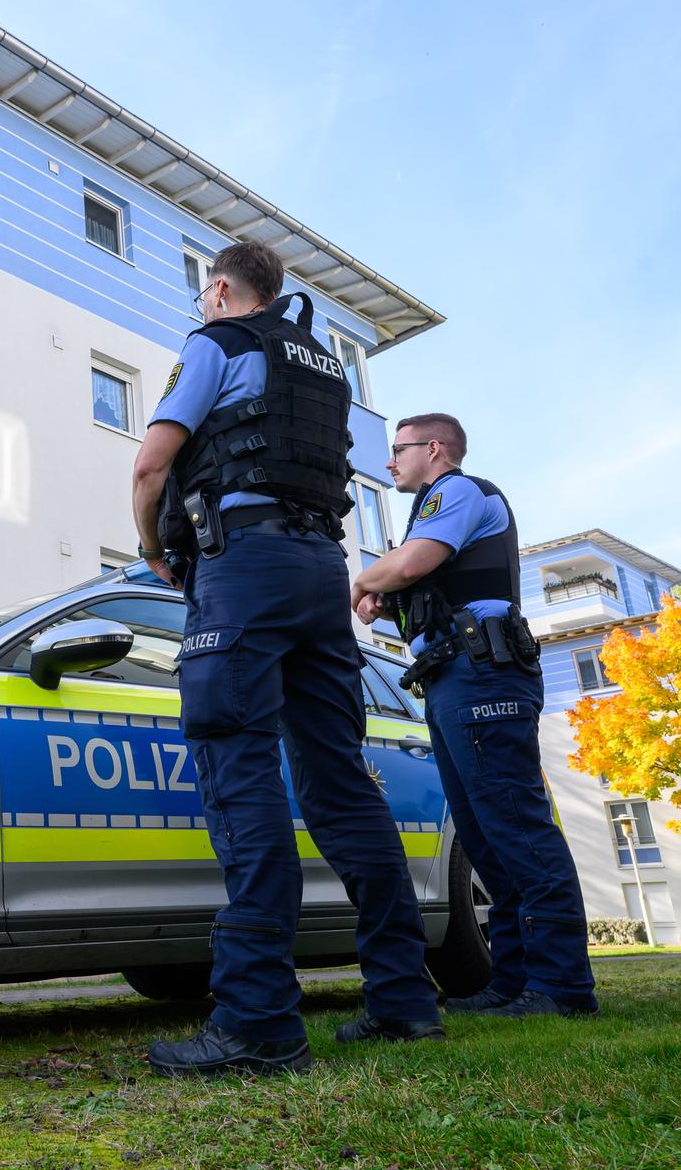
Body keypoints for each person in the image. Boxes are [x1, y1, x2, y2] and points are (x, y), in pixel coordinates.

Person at [131, 240, 441, 1078]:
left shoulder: (218, 342)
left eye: (204, 294)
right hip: (318, 573)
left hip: (246, 571)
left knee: (239, 769)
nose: (200, 306)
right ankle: (405, 1001)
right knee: (339, 779)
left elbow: (152, 463)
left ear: (224, 288)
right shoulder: (324, 368)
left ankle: (260, 1020)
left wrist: (154, 549)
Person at [351, 414, 598, 1018]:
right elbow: (420, 583)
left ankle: (562, 987)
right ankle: (513, 981)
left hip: (482, 672)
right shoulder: (437, 507)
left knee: (516, 825)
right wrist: (389, 597)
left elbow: (409, 564)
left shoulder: (458, 491)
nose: (390, 462)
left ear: (434, 449)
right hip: (452, 674)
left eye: (399, 450)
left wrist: (363, 580)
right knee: (486, 838)